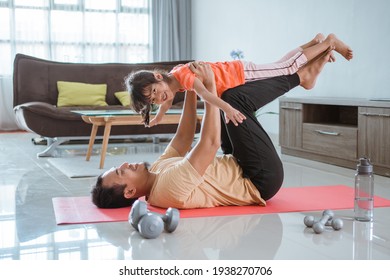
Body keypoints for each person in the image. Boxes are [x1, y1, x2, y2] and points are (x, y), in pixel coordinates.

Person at [91, 47, 335, 209]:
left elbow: (184, 136)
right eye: (122, 173)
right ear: (130, 191)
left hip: (237, 161)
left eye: (119, 166)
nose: (124, 165)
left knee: (228, 94)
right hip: (259, 179)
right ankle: (300, 78)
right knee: (233, 100)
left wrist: (190, 87)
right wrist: (208, 87)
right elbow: (209, 144)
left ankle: (304, 72)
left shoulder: (157, 169)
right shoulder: (166, 191)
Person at [126, 33, 352, 127]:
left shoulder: (184, 75)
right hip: (238, 71)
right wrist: (157, 118)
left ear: (158, 77)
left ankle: (329, 42)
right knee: (280, 63)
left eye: (155, 91)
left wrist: (228, 109)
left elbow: (207, 96)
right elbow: (167, 102)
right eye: (153, 100)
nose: (159, 98)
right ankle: (315, 42)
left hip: (240, 74)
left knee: (287, 68)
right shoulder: (173, 80)